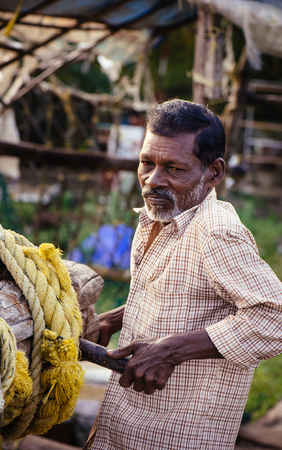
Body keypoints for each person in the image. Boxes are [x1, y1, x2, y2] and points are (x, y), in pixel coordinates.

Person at [91, 99, 282, 450]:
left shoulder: (217, 232)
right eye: (146, 163)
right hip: (126, 423)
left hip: (177, 432)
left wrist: (172, 350)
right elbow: (184, 292)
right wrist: (117, 318)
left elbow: (275, 318)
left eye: (174, 169)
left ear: (213, 173)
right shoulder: (159, 213)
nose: (152, 180)